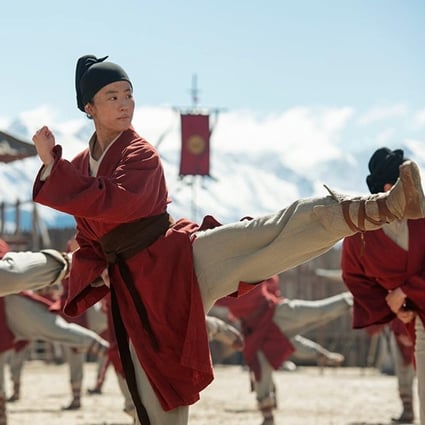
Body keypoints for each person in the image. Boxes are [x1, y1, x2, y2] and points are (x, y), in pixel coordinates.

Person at [31, 54, 425, 425]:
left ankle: (383, 206)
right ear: (89, 107)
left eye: (129, 94)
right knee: (154, 402)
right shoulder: (79, 167)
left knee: (271, 231)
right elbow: (90, 234)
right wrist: (97, 267)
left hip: (180, 259)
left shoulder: (140, 153)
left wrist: (54, 169)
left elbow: (113, 202)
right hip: (141, 293)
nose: (124, 104)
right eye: (112, 97)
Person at [341, 147, 425, 425]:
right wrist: (392, 305)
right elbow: (354, 276)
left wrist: (406, 291)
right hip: (416, 321)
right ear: (390, 188)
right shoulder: (361, 234)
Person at [214, 275, 351, 425]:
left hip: (275, 312)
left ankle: (351, 298)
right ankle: (268, 415)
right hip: (255, 329)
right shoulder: (224, 287)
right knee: (261, 366)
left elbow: (270, 278)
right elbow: (217, 298)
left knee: (315, 312)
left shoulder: (251, 274)